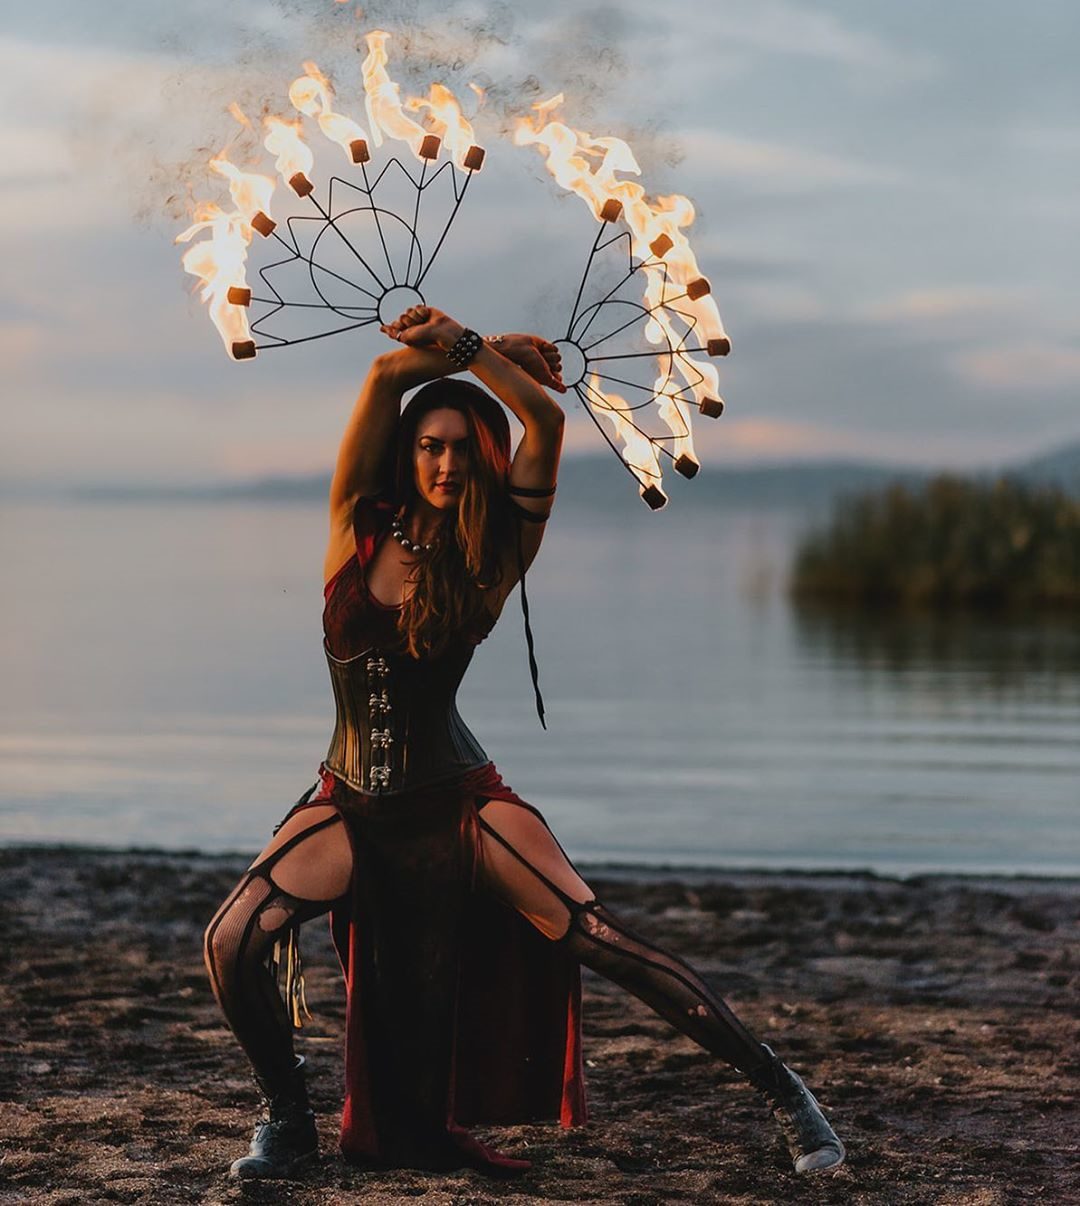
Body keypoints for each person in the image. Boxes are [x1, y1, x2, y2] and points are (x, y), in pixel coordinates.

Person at [202, 305, 846, 1183]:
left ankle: (785, 1093)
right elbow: (386, 377)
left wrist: (470, 346)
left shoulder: (497, 546)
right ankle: (287, 1119)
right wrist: (492, 353)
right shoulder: (356, 521)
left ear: (485, 460)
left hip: (455, 801)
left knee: (595, 935)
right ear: (408, 452)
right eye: (431, 446)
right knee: (230, 941)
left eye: (465, 449)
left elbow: (543, 418)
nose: (446, 461)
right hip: (350, 799)